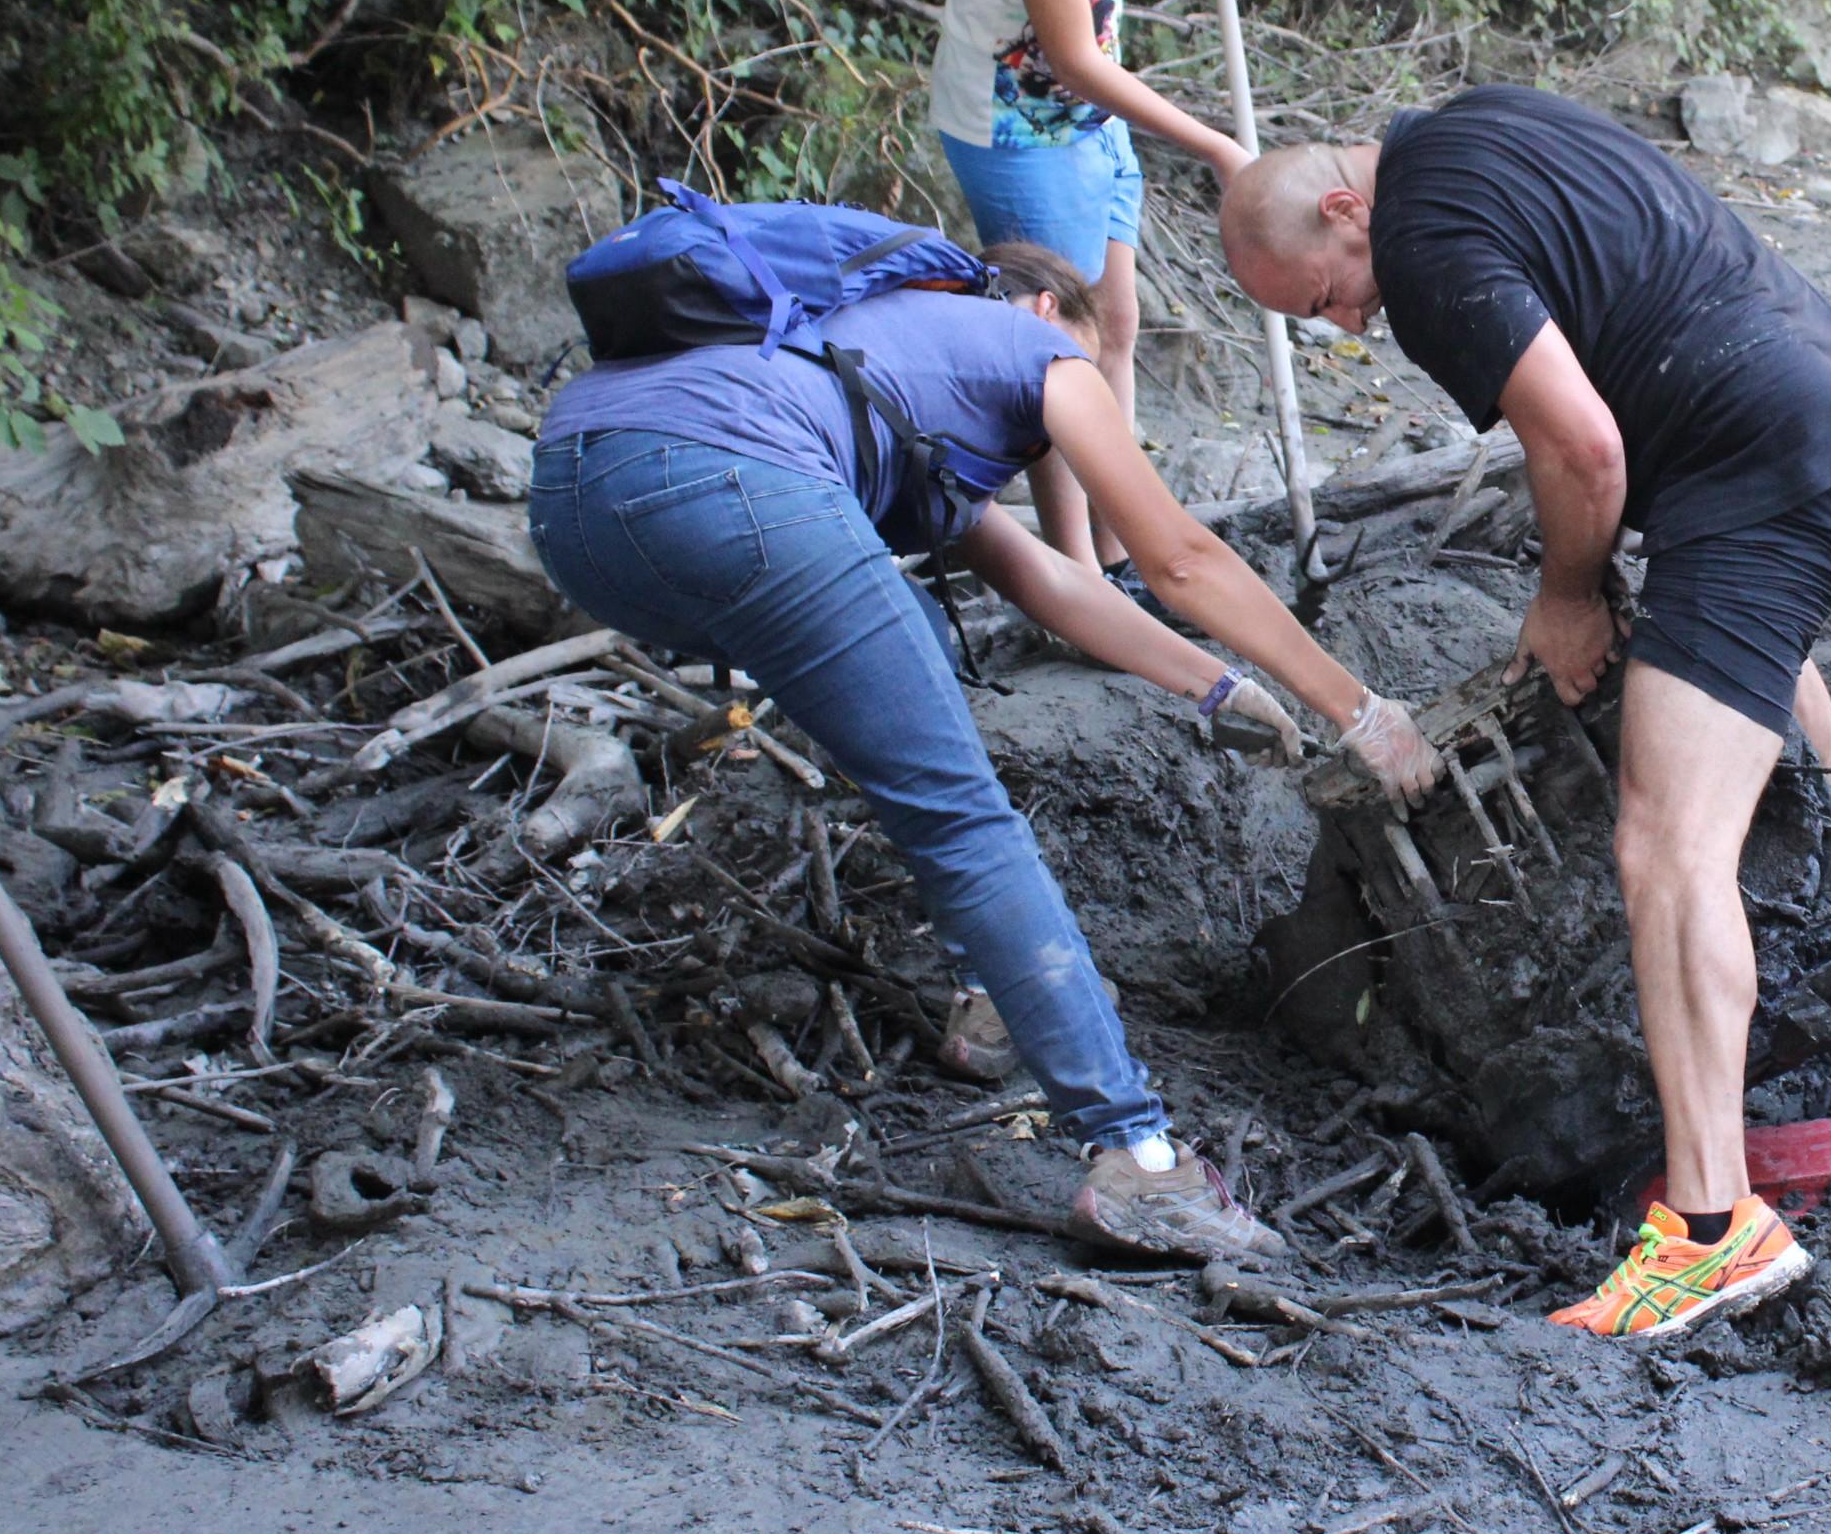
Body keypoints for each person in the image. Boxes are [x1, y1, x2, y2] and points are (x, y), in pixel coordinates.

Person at [526, 239, 1443, 1260]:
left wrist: (1218, 684)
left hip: (577, 506)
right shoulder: (1029, 349)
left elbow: (1053, 583)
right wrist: (1355, 710)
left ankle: (992, 1006)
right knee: (961, 814)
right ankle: (1139, 1162)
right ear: (1050, 312)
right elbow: (1174, 554)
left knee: (911, 641)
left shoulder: (874, 358)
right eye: (1094, 367)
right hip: (738, 484)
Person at [1219, 85, 1831, 1340]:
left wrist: (1568, 593)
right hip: (1825, 412)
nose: (1349, 322)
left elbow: (1586, 450)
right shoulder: (1471, 128)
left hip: (1757, 467)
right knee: (1742, 694)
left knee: (1663, 843)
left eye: (1324, 295)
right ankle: (1812, 953)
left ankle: (1711, 1226)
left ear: (1342, 211)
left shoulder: (1423, 251)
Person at [928, 0, 1270, 574]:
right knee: (1059, 358)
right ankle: (1080, 574)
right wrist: (1217, 146)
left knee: (1116, 323)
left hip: (1087, 122)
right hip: (1024, 137)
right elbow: (1075, 59)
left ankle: (1124, 550)